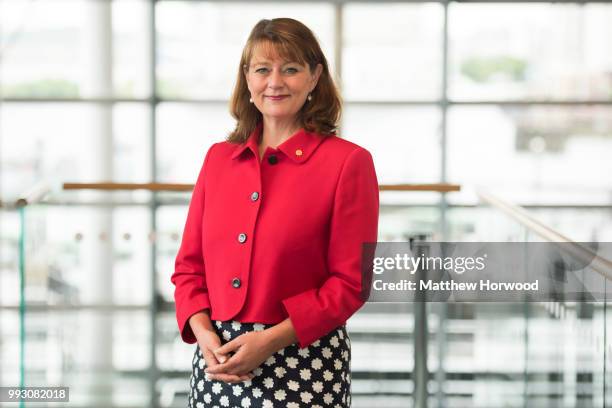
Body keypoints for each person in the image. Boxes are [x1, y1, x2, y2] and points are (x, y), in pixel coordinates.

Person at [171, 17, 379, 408]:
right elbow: (188, 268)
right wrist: (207, 339)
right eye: (263, 69)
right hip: (217, 361)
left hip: (304, 361)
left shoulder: (349, 163)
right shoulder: (218, 160)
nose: (275, 82)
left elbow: (350, 283)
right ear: (247, 78)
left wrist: (269, 341)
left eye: (291, 69)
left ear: (315, 77)